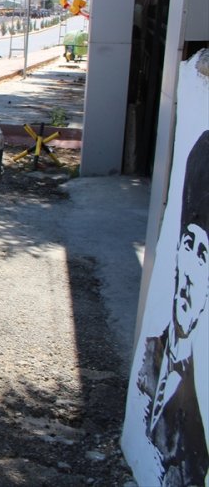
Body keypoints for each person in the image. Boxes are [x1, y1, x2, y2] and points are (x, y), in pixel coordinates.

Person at [135, 130, 209, 486]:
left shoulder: (198, 428)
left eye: (204, 254)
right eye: (189, 243)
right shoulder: (152, 350)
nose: (190, 272)